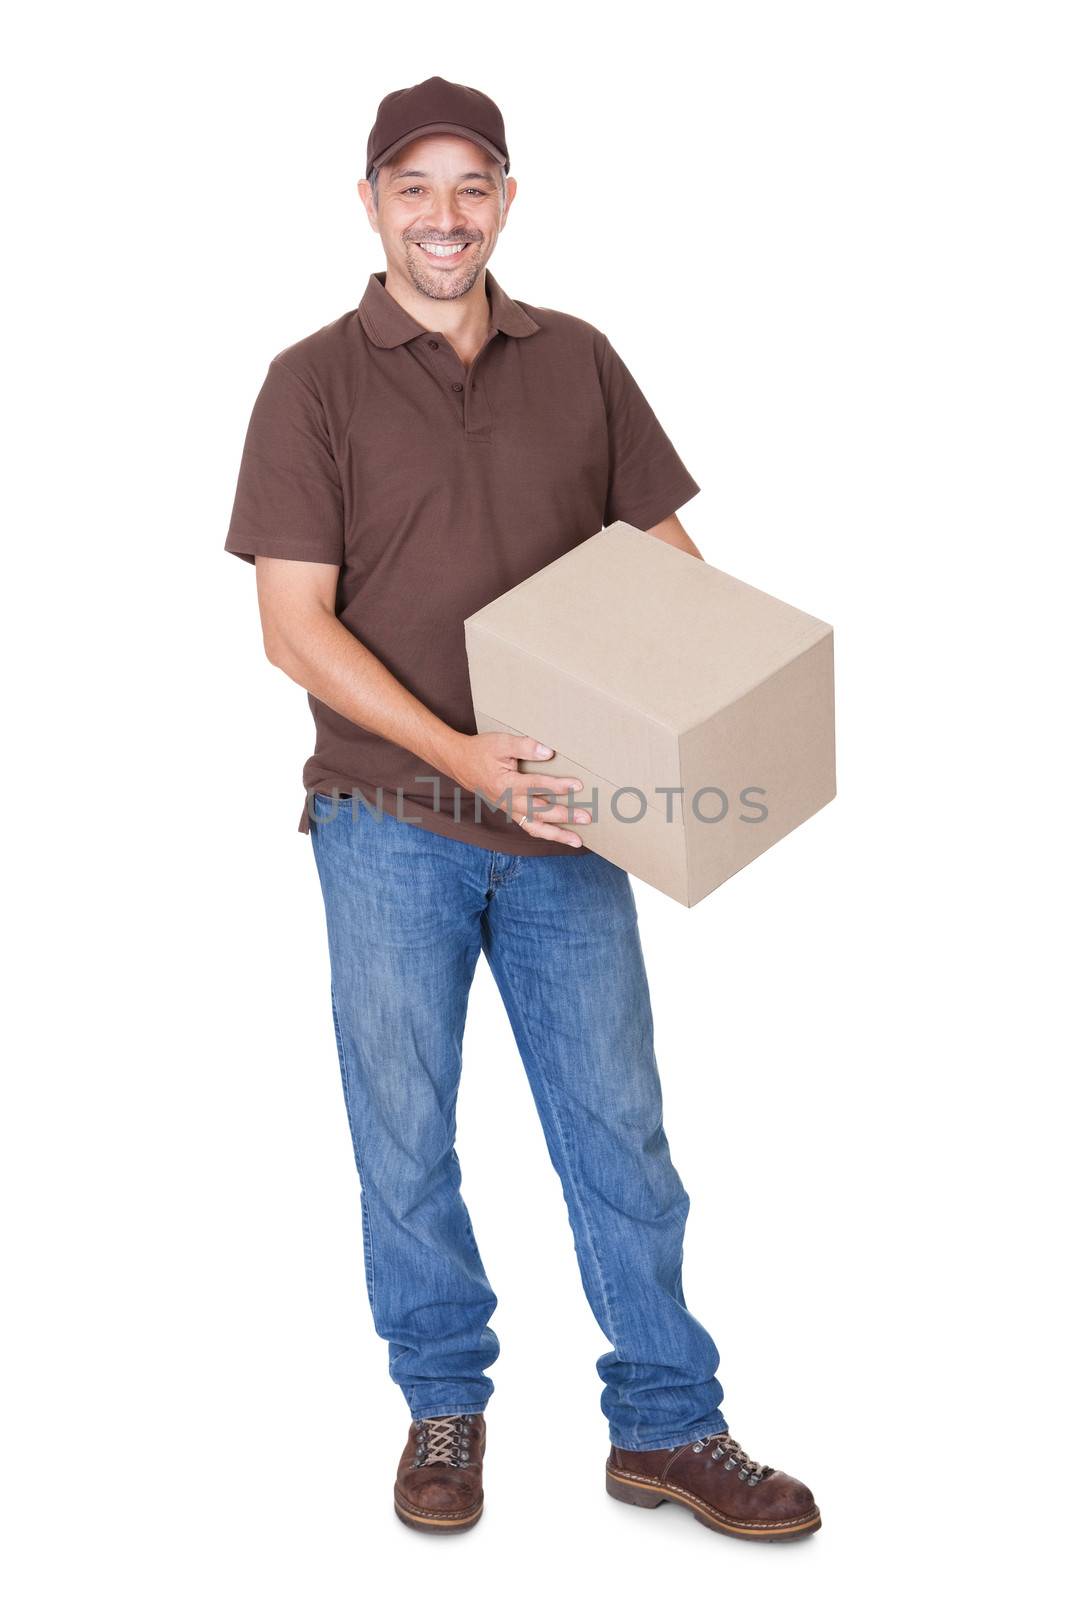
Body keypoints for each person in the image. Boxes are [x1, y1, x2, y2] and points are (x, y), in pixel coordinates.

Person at [224, 74, 820, 1542]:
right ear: (369, 204)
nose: (444, 216)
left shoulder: (582, 362)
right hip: (385, 823)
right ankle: (445, 1404)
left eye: (470, 185)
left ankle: (668, 1426)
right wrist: (459, 754)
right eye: (412, 188)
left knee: (621, 1129)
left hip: (566, 828)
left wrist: (719, 712)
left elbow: (668, 567)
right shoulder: (311, 381)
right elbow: (293, 629)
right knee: (405, 1135)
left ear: (507, 197)